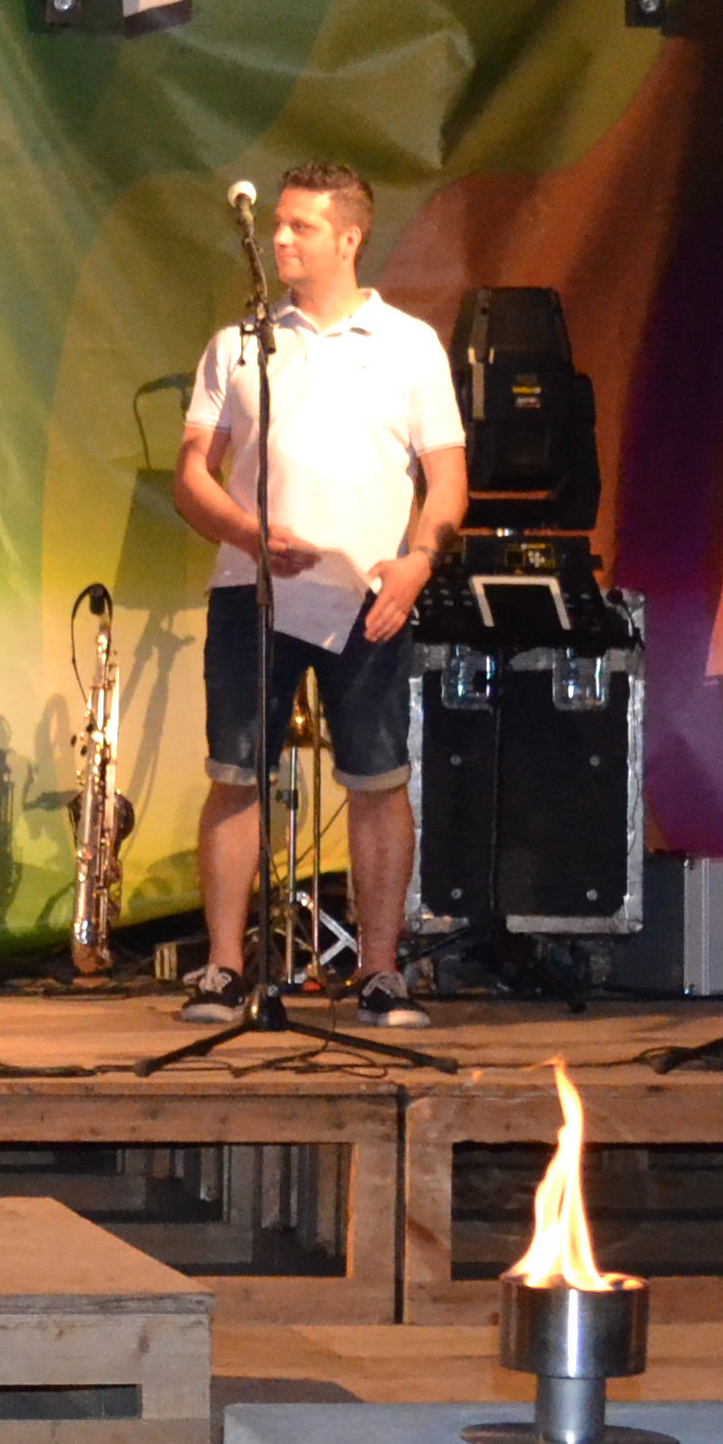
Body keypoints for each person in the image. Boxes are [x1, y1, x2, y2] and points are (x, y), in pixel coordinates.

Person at [170, 161, 466, 1027]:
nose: (280, 238)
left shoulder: (409, 344)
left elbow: (448, 478)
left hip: (370, 596)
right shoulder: (240, 344)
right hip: (251, 591)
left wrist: (417, 563)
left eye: (301, 225)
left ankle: (379, 971)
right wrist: (246, 532)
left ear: (349, 237)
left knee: (377, 778)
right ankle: (225, 967)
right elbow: (192, 473)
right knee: (236, 773)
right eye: (278, 224)